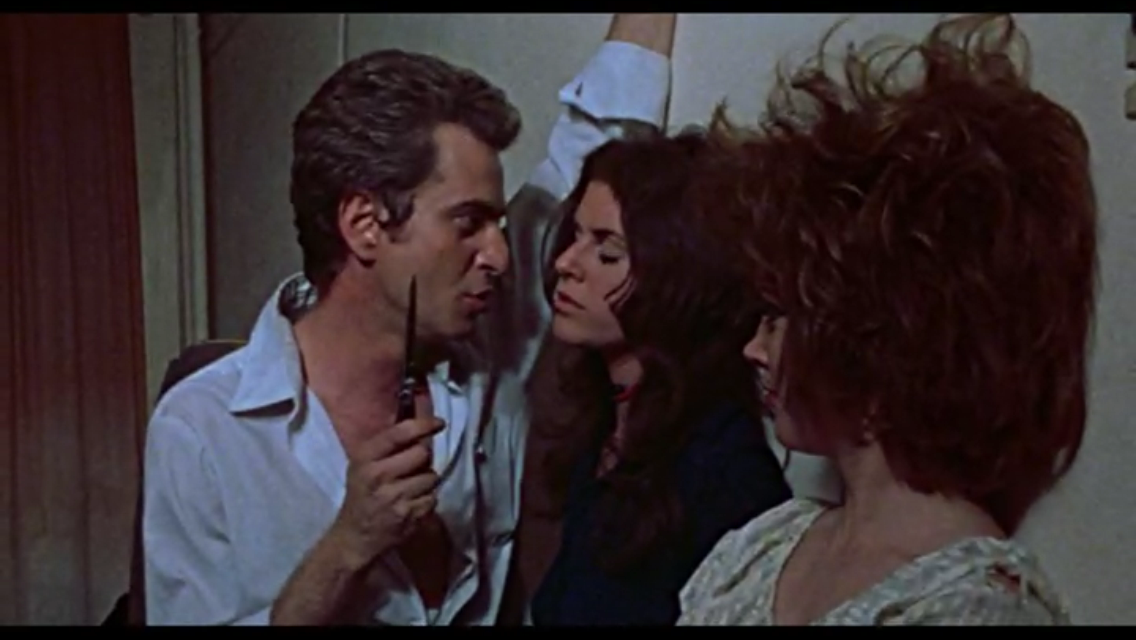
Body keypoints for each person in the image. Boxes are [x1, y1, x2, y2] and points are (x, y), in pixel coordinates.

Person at [142, 14, 676, 626]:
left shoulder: (485, 343)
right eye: (468, 223)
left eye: (498, 226)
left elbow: (597, 138)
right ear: (364, 226)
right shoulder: (201, 432)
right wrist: (347, 548)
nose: (501, 257)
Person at [677, 13, 1096, 625]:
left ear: (877, 332)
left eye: (779, 315)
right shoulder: (763, 548)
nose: (754, 349)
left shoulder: (978, 605)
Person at [520, 130, 792, 626]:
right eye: (575, 237)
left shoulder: (723, 471)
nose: (566, 264)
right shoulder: (606, 426)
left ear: (677, 277)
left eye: (607, 253)